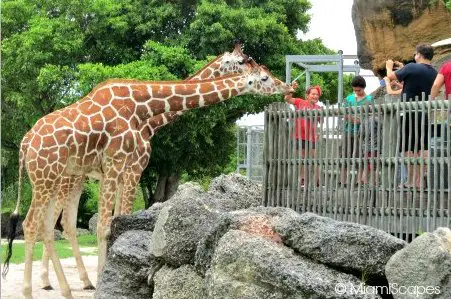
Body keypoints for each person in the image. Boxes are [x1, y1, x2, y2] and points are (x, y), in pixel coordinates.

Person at [386, 43, 438, 188]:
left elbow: (390, 76)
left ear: (419, 55)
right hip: (423, 112)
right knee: (423, 146)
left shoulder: (411, 67)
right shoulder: (434, 72)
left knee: (408, 146)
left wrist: (389, 66)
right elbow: (417, 86)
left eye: (415, 54)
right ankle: (419, 181)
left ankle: (409, 181)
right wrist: (403, 86)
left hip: (408, 112)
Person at [285, 81, 322, 187]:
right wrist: (292, 88)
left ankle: (317, 180)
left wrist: (319, 132)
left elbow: (321, 123)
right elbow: (287, 99)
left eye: (317, 95)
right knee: (302, 158)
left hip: (312, 137)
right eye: (313, 94)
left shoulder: (318, 108)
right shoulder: (300, 102)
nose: (315, 96)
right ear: (307, 95)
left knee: (315, 159)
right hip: (299, 136)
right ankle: (302, 180)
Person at [340, 75, 373, 186]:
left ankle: (359, 181)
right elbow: (344, 114)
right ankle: (343, 181)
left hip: (362, 133)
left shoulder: (369, 99)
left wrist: (355, 119)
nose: (357, 92)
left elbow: (370, 116)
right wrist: (355, 119)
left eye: (359, 90)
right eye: (355, 90)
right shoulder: (349, 98)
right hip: (347, 130)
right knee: (344, 156)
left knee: (360, 156)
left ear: (363, 88)